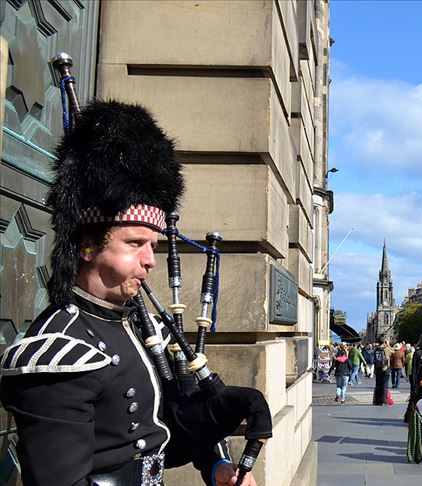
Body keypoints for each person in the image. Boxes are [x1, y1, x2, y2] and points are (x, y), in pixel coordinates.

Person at [0, 101, 256, 485]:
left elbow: (171, 419)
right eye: (135, 243)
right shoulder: (59, 348)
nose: (150, 261)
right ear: (87, 248)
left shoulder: (143, 328)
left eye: (152, 245)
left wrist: (216, 465)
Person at [372, 336, 393, 406]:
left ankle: (377, 400)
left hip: (378, 368)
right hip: (385, 368)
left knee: (378, 384)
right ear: (384, 341)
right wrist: (388, 345)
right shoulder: (386, 349)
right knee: (384, 385)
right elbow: (393, 352)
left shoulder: (376, 349)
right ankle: (383, 401)